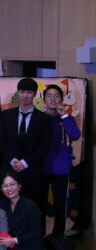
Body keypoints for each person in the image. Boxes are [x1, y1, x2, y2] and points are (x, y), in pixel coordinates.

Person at [0, 78, 52, 222]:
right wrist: (13, 160)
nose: (25, 95)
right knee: (9, 211)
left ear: (34, 94)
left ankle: (36, 236)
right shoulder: (6, 115)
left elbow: (45, 146)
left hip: (34, 171)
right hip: (10, 170)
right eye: (22, 92)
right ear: (18, 93)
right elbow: (2, 141)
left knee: (35, 209)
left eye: (29, 92)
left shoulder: (44, 119)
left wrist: (25, 162)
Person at [41, 84, 81, 238]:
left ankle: (58, 237)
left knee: (60, 204)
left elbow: (75, 136)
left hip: (61, 168)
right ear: (44, 99)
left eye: (56, 96)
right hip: (41, 167)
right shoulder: (39, 118)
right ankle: (39, 236)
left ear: (61, 99)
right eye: (49, 96)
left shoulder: (67, 118)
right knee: (39, 203)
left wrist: (64, 116)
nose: (53, 99)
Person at [0, 171, 44, 250]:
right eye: (5, 186)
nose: (9, 188)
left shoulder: (30, 206)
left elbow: (36, 232)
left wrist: (15, 240)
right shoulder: (3, 206)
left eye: (12, 184)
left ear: (19, 186)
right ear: (1, 189)